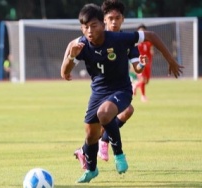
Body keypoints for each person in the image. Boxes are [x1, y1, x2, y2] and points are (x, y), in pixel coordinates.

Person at [61, 3, 183, 184]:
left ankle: (119, 155)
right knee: (90, 135)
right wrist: (71, 57)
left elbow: (151, 36)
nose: (89, 31)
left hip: (121, 90)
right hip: (97, 93)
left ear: (102, 25)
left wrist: (171, 60)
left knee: (106, 113)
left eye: (94, 26)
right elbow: (65, 73)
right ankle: (92, 170)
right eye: (85, 27)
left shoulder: (119, 39)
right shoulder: (81, 45)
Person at [74, 0, 142, 169]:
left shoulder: (125, 40)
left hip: (119, 88)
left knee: (124, 112)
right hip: (102, 89)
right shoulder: (95, 36)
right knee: (104, 119)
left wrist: (141, 64)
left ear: (122, 19)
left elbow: (137, 67)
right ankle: (98, 146)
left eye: (117, 18)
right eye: (110, 18)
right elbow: (77, 44)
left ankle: (93, 146)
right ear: (104, 20)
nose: (114, 22)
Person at [133, 24, 154, 102]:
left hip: (148, 64)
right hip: (140, 64)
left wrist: (151, 53)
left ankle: (135, 85)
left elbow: (151, 51)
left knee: (146, 81)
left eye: (143, 31)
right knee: (142, 79)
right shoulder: (136, 42)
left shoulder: (149, 42)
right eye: (140, 31)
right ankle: (143, 96)